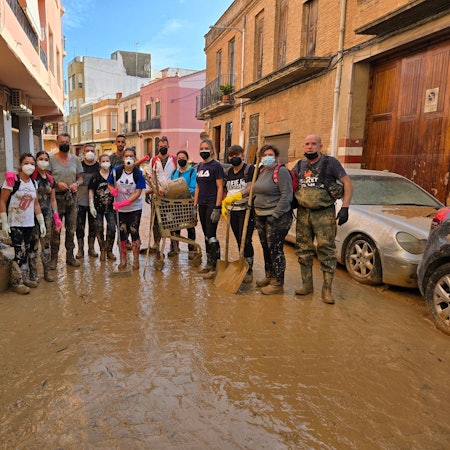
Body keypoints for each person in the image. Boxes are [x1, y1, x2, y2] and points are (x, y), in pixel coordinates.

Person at [292, 134, 353, 304]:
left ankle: (327, 290)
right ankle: (307, 285)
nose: (310, 147)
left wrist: (345, 207)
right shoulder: (300, 164)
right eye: (307, 144)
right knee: (303, 249)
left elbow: (347, 183)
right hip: (304, 213)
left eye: (313, 144)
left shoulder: (330, 162)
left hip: (324, 213)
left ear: (320, 146)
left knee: (326, 251)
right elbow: (290, 182)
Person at [0, 153, 46, 294]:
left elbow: (36, 203)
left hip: (29, 223)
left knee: (27, 252)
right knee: (19, 252)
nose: (30, 166)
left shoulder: (33, 183)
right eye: (26, 163)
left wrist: (41, 221)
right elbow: (2, 201)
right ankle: (16, 283)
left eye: (32, 163)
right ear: (20, 165)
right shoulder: (12, 180)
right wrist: (4, 222)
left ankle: (24, 278)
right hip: (15, 223)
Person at [252, 144, 293, 295]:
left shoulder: (281, 172)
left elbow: (287, 195)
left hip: (277, 217)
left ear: (275, 157)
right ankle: (269, 276)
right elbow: (255, 191)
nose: (267, 157)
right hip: (260, 215)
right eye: (264, 155)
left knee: (275, 249)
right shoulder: (262, 171)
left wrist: (275, 215)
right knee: (265, 248)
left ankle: (278, 283)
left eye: (270, 154)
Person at [107, 147, 146, 270]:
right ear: (123, 158)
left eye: (131, 156)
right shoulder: (116, 171)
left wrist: (123, 203)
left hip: (134, 208)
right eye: (126, 156)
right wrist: (112, 190)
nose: (129, 158)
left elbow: (138, 193)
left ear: (135, 158)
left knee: (134, 232)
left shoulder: (138, 174)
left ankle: (136, 261)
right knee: (122, 234)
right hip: (119, 210)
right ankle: (123, 260)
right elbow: (110, 183)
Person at [49, 132, 83, 269]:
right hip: (56, 198)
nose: (64, 144)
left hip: (72, 198)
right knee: (55, 229)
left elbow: (80, 177)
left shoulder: (75, 160)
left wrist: (77, 184)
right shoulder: (51, 159)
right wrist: (57, 183)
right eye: (61, 142)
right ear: (57, 144)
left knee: (71, 229)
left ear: (70, 143)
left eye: (66, 142)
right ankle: (53, 260)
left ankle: (70, 257)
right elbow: (47, 177)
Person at [221, 145, 255, 283]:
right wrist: (224, 203)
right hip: (232, 211)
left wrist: (238, 196)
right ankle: (240, 263)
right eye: (231, 155)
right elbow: (224, 190)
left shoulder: (249, 169)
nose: (233, 157)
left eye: (236, 155)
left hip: (245, 210)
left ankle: (249, 268)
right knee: (237, 239)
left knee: (245, 240)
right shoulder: (228, 172)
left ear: (242, 155)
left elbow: (250, 188)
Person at [29, 151, 62, 283]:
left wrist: (56, 216)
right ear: (36, 161)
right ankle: (33, 275)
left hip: (47, 216)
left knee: (46, 245)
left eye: (45, 159)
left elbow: (53, 199)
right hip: (31, 216)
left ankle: (47, 273)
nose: (43, 161)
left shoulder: (50, 179)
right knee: (33, 245)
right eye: (40, 159)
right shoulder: (31, 177)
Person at [194, 138, 224, 279]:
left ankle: (215, 266)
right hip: (202, 204)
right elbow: (198, 187)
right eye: (201, 148)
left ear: (212, 150)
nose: (203, 150)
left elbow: (220, 187)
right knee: (206, 234)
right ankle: (208, 263)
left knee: (212, 235)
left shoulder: (216, 166)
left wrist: (218, 207)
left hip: (212, 203)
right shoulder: (199, 166)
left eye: (206, 148)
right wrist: (195, 205)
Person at [148, 136, 177, 253]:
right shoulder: (154, 160)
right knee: (155, 220)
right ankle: (156, 244)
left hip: (171, 195)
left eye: (165, 146)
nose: (163, 148)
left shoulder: (174, 160)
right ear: (157, 147)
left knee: (172, 220)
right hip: (157, 195)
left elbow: (178, 176)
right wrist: (153, 189)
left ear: (168, 146)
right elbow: (151, 176)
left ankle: (173, 246)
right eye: (161, 146)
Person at [169, 150, 197, 258]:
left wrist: (179, 191)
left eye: (183, 157)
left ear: (187, 158)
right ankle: (174, 248)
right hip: (175, 204)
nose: (181, 159)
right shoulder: (174, 173)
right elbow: (170, 186)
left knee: (190, 226)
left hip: (188, 203)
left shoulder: (192, 172)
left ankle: (192, 249)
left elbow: (193, 188)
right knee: (174, 226)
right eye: (179, 158)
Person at [88, 153, 116, 261]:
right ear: (99, 163)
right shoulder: (95, 177)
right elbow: (91, 190)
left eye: (107, 161)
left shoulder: (113, 176)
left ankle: (110, 250)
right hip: (98, 207)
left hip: (111, 208)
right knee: (99, 229)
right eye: (103, 161)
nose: (105, 163)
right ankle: (102, 250)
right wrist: (91, 205)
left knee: (112, 229)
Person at [76, 143, 100, 259]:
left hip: (94, 203)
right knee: (79, 227)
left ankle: (91, 248)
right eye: (88, 150)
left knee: (93, 226)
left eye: (92, 150)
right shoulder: (79, 166)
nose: (90, 152)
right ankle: (80, 249)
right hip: (80, 201)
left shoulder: (99, 167)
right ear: (83, 153)